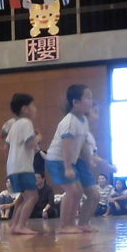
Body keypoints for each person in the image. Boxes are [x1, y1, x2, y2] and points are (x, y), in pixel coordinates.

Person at [46, 84, 96, 235]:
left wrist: (89, 159)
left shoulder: (83, 121)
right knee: (72, 191)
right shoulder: (69, 121)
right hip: (57, 160)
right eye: (87, 97)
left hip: (66, 161)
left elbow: (84, 144)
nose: (91, 101)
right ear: (75, 102)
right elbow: (66, 145)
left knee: (78, 191)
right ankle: (63, 226)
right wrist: (68, 167)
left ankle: (73, 224)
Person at [4, 93, 41, 235]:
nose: (35, 109)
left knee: (23, 198)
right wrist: (38, 137)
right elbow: (30, 144)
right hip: (23, 167)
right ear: (25, 109)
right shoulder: (26, 123)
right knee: (32, 197)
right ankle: (20, 225)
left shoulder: (14, 125)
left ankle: (15, 225)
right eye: (33, 106)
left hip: (13, 167)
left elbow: (6, 146)